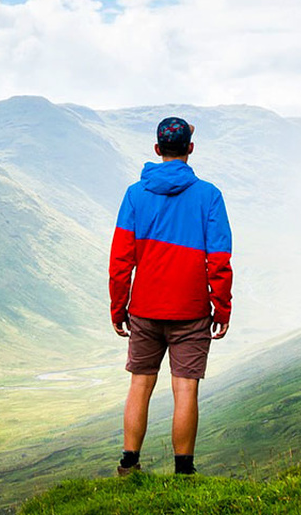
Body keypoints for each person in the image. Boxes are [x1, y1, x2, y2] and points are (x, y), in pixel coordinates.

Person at [109, 116, 233, 476]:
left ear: (157, 149)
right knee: (185, 389)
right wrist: (221, 308)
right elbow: (219, 261)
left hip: (144, 309)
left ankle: (129, 464)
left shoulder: (135, 195)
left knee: (140, 384)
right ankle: (184, 471)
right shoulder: (209, 196)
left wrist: (119, 307)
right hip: (192, 311)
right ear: (190, 150)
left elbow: (120, 261)